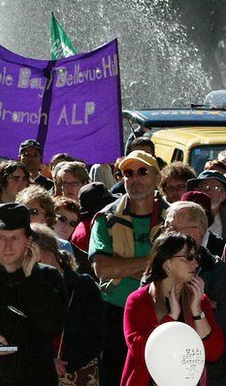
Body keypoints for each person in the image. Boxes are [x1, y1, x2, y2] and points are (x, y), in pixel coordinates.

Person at [0, 202, 67, 384]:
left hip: (36, 378)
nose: (8, 246)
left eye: (15, 238)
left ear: (29, 241)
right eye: (2, 238)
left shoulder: (49, 277)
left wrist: (31, 278)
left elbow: (54, 325)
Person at [89, 150, 169, 385]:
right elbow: (102, 268)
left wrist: (122, 266)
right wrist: (155, 265)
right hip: (116, 314)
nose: (135, 178)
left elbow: (180, 265)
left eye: (142, 171)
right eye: (128, 173)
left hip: (164, 312)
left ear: (157, 177)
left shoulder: (175, 216)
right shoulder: (106, 217)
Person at [121, 233, 224, 385]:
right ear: (166, 263)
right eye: (188, 257)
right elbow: (142, 351)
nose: (195, 264)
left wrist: (196, 311)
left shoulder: (199, 300)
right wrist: (172, 316)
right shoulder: (138, 300)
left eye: (196, 257)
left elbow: (214, 353)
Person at [163, 201, 226, 384]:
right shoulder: (157, 268)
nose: (166, 233)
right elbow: (149, 315)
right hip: (168, 365)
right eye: (165, 227)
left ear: (196, 232)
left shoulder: (215, 268)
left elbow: (220, 322)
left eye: (172, 227)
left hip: (212, 371)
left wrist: (198, 310)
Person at [27, 224, 103, 384]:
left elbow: (96, 333)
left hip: (77, 371)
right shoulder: (24, 284)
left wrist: (64, 365)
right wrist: (48, 360)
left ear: (48, 252)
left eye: (31, 253)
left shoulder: (83, 285)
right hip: (38, 371)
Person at [187, 169, 226, 239]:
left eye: (216, 188)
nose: (209, 191)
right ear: (196, 191)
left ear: (224, 195)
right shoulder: (183, 215)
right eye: (205, 187)